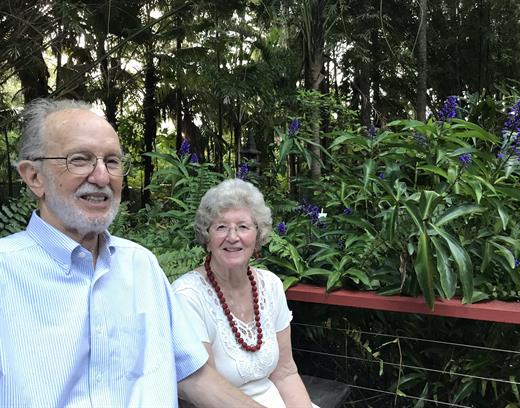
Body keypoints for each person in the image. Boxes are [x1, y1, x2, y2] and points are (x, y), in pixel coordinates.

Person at [0, 98, 262, 407]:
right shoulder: (6, 272)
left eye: (112, 161)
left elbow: (195, 376)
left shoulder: (140, 264)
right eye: (80, 160)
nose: (102, 177)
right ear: (34, 177)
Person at [172, 179, 316, 408]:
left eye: (243, 226)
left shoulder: (270, 285)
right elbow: (205, 388)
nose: (232, 236)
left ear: (257, 237)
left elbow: (286, 373)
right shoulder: (187, 296)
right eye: (221, 227)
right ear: (207, 238)